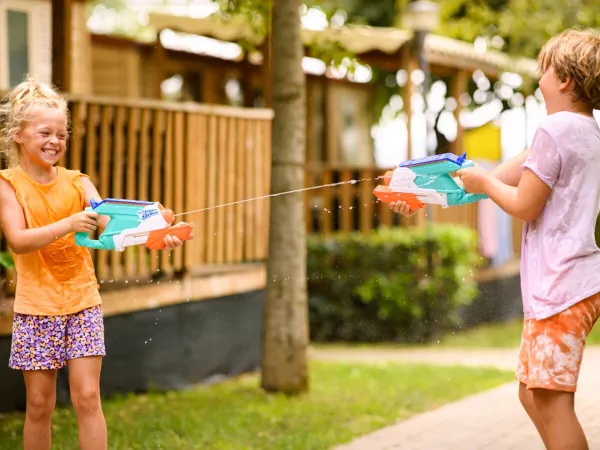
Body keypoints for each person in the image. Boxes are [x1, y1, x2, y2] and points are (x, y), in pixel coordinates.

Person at [392, 28, 600, 450]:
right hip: (571, 285)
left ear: (564, 80)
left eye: (544, 68)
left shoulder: (554, 130)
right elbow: (489, 180)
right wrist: (416, 189)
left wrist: (485, 182)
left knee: (551, 402)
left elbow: (521, 203)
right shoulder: (584, 131)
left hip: (560, 289)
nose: (538, 75)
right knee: (532, 392)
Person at [0, 76, 192, 450]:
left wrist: (157, 235)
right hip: (36, 308)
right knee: (39, 404)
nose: (55, 141)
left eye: (61, 134)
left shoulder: (79, 183)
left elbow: (111, 230)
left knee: (88, 398)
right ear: (19, 134)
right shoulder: (8, 185)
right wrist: (68, 224)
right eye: (45, 133)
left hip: (82, 303)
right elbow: (18, 242)